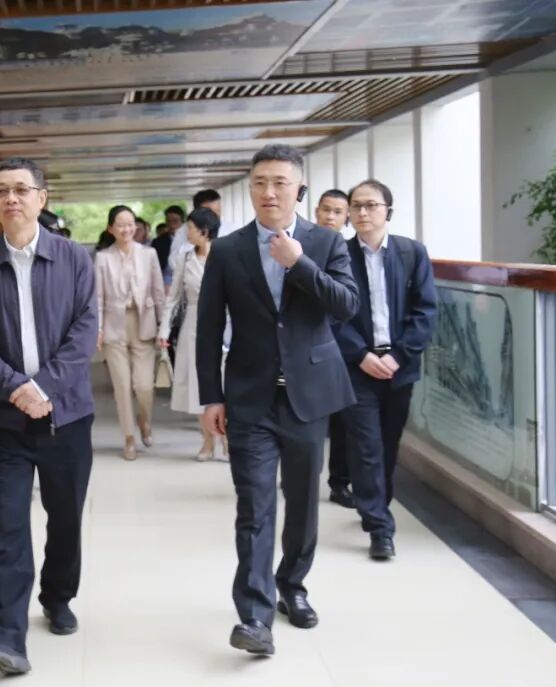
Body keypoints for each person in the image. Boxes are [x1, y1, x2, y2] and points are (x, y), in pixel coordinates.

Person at [197, 144, 359, 656]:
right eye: (260, 183)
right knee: (255, 506)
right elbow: (207, 328)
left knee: (304, 503)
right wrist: (210, 397)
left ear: (299, 189)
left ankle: (292, 584)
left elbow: (346, 305)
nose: (269, 192)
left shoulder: (326, 242)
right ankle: (254, 616)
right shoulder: (228, 250)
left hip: (309, 396)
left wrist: (299, 264)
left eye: (280, 183)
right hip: (250, 398)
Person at [0, 157, 96, 675]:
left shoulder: (74, 259)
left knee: (65, 518)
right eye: (1, 191)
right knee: (6, 527)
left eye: (21, 189)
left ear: (42, 197)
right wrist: (17, 389)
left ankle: (58, 597)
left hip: (67, 416)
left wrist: (43, 387)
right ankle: (8, 636)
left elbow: (85, 331)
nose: (11, 198)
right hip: (3, 422)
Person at [333, 179, 437, 561]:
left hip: (398, 368)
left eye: (371, 205)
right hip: (357, 367)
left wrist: (399, 356)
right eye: (356, 206)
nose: (362, 212)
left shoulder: (412, 253)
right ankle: (379, 528)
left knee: (388, 445)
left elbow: (425, 311)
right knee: (366, 447)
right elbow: (331, 314)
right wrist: (360, 355)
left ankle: (377, 504)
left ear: (387, 211)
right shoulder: (338, 256)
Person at [95, 204, 165, 460]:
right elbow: (97, 297)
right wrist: (98, 329)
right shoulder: (103, 258)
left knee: (144, 386)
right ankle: (129, 437)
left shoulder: (149, 254)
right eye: (120, 225)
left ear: (136, 227)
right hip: (114, 326)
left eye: (130, 224)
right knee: (122, 386)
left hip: (143, 323)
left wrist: (164, 326)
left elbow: (158, 292)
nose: (126, 229)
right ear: (110, 229)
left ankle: (144, 420)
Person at [160, 207, 226, 462]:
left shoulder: (225, 255)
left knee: (225, 384)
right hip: (193, 325)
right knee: (199, 386)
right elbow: (174, 297)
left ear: (204, 232)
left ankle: (228, 441)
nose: (186, 232)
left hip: (224, 324)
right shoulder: (185, 258)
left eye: (190, 228)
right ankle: (207, 441)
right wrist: (164, 330)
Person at [315, 188, 356, 508]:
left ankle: (339, 483)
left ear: (347, 218)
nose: (330, 217)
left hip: (347, 350)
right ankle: (297, 473)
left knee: (343, 421)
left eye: (338, 212)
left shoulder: (354, 253)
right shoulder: (300, 245)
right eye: (326, 210)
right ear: (316, 211)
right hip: (310, 346)